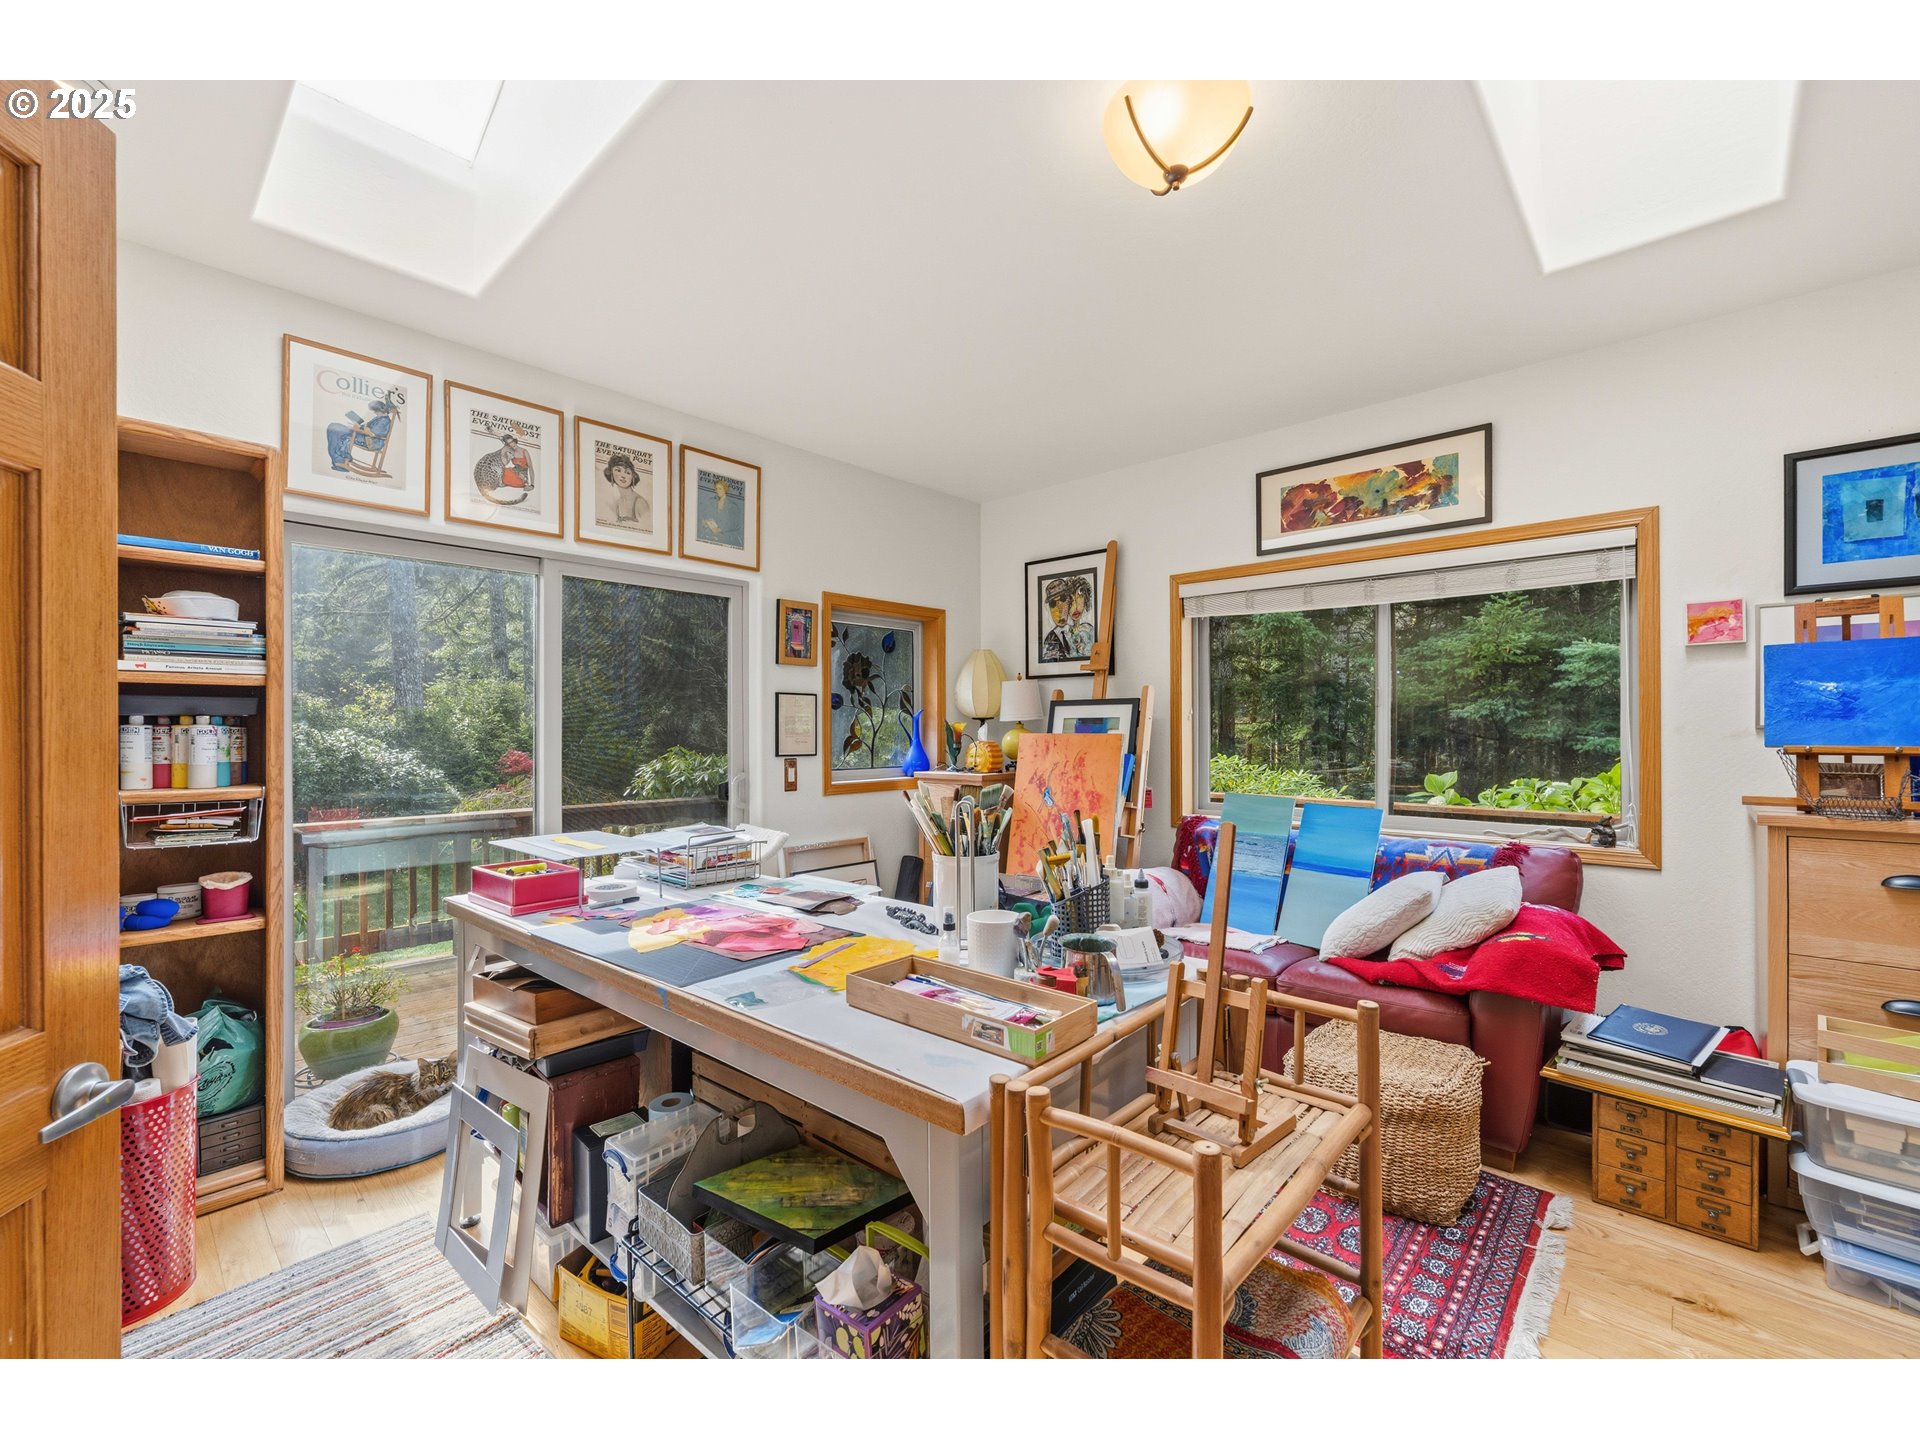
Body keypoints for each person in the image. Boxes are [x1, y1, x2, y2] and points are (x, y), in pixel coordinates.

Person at [325, 393, 401, 474]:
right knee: (333, 427)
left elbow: (372, 433)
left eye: (375, 411)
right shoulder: (379, 418)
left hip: (371, 442)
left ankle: (340, 461)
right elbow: (367, 427)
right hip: (364, 436)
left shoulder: (384, 421)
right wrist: (358, 425)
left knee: (336, 430)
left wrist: (358, 428)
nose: (375, 413)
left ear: (380, 410)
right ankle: (338, 459)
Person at [1040, 575, 1095, 663]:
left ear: (1069, 601)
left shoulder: (1086, 630)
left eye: (1062, 599)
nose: (1059, 609)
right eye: (1053, 604)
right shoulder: (1051, 639)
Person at [604, 450, 651, 529]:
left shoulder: (639, 502)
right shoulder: (617, 503)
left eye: (628, 472)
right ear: (611, 474)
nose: (623, 476)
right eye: (618, 470)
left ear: (633, 477)